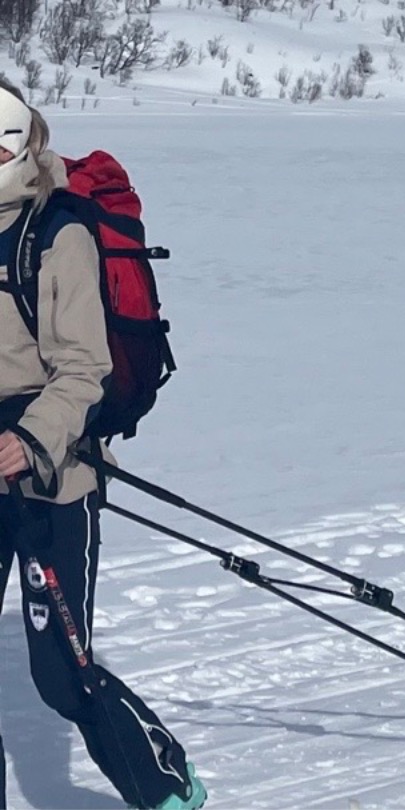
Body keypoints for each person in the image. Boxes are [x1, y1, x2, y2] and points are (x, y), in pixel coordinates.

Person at [0, 80, 207, 810]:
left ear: (23, 141)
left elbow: (84, 368)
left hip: (55, 480)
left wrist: (26, 440)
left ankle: (167, 788)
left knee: (64, 674)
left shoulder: (59, 233)